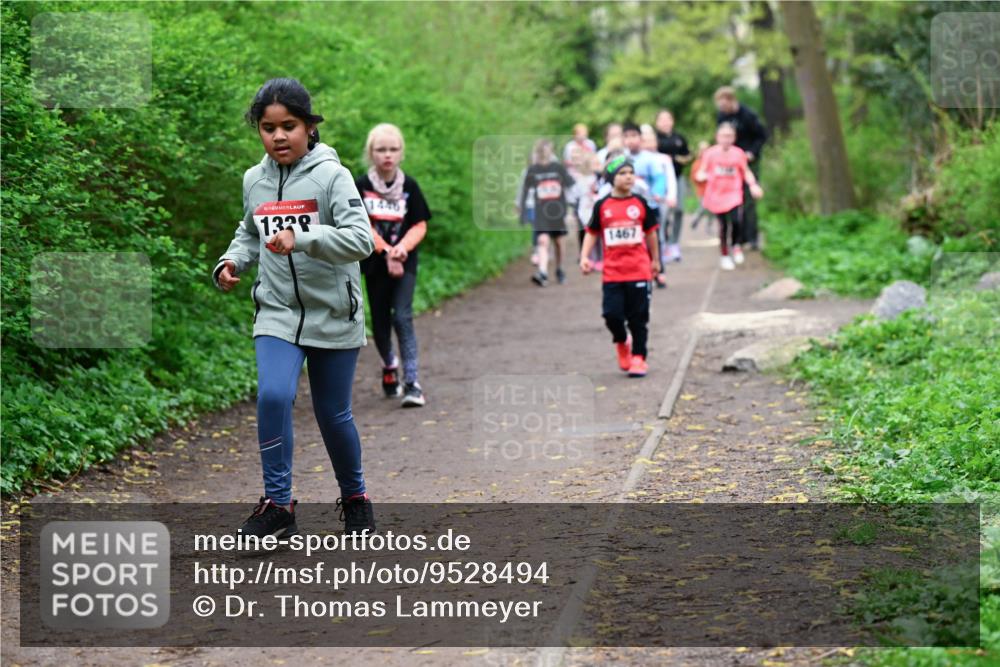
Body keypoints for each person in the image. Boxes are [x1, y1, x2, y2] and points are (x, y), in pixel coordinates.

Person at [213, 78, 376, 536]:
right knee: (273, 395)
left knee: (332, 413)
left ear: (309, 127)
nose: (279, 136)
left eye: (289, 126)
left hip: (332, 311)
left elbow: (361, 240)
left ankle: (355, 495)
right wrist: (232, 261)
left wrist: (303, 238)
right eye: (268, 128)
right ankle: (278, 504)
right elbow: (248, 231)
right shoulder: (255, 180)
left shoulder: (332, 176)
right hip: (278, 311)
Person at [355, 123, 432, 408]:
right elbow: (359, 224)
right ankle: (389, 365)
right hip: (374, 264)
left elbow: (419, 224)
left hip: (405, 262)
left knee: (402, 316)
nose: (387, 155)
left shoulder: (410, 187)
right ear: (371, 153)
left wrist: (401, 249)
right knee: (381, 323)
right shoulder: (360, 186)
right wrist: (385, 249)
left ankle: (412, 383)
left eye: (393, 149)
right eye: (381, 149)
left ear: (401, 153)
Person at [580, 155, 661, 377]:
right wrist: (584, 257)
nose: (628, 177)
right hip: (613, 273)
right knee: (611, 315)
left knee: (638, 317)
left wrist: (655, 260)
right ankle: (622, 341)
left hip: (639, 270)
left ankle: (638, 358)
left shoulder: (641, 204)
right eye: (622, 173)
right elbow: (592, 233)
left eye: (631, 173)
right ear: (611, 179)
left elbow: (651, 233)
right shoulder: (602, 206)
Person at [695, 122, 764, 271]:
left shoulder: (738, 153)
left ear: (734, 138)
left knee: (736, 221)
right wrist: (702, 176)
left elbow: (745, 171)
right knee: (723, 226)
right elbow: (702, 171)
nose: (726, 139)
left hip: (733, 193)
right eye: (723, 135)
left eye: (729, 136)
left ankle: (736, 245)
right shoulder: (710, 153)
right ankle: (724, 255)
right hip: (716, 195)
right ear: (717, 137)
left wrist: (753, 185)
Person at [714, 86, 768, 250]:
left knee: (748, 200)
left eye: (725, 104)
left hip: (748, 160)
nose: (722, 108)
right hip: (728, 163)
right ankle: (738, 237)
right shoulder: (721, 117)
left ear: (731, 100)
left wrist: (751, 152)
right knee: (731, 201)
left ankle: (751, 238)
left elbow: (762, 136)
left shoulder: (748, 115)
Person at [518, 139, 575, 286]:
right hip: (541, 211)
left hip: (557, 211)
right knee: (542, 240)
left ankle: (559, 268)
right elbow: (525, 192)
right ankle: (542, 272)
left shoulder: (558, 168)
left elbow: (570, 184)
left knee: (558, 242)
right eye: (542, 150)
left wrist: (574, 203)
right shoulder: (533, 170)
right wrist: (523, 212)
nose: (545, 153)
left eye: (547, 150)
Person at [641, 124, 676, 288]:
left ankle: (659, 270)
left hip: (656, 203)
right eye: (645, 140)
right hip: (637, 205)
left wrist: (670, 196)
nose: (648, 143)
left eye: (651, 140)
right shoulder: (632, 158)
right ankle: (644, 272)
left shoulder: (663, 158)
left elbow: (668, 178)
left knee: (657, 236)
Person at [654, 110, 692, 262]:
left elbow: (688, 155)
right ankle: (662, 244)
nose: (665, 122)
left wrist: (677, 159)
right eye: (661, 119)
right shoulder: (654, 139)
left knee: (679, 210)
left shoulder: (679, 138)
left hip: (678, 177)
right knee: (663, 213)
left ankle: (674, 243)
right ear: (657, 122)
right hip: (660, 181)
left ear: (672, 121)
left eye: (667, 119)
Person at [688, 140, 713, 233]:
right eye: (702, 150)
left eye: (706, 149)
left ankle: (709, 226)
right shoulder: (697, 163)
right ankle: (695, 219)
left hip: (713, 191)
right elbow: (693, 177)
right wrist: (700, 178)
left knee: (712, 210)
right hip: (702, 190)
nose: (704, 152)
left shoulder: (713, 162)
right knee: (702, 207)